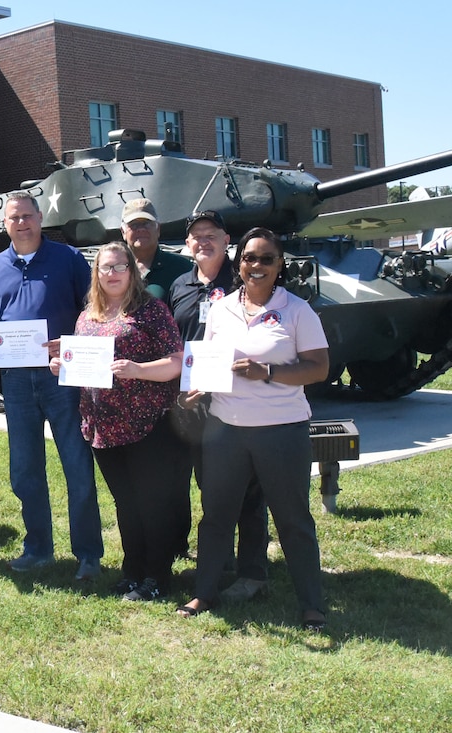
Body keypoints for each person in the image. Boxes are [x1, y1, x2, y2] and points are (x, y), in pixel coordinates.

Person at [177, 227, 329, 631]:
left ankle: (311, 604)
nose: (256, 266)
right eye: (248, 258)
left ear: (280, 265)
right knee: (216, 516)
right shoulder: (222, 308)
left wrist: (270, 372)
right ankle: (204, 592)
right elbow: (208, 360)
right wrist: (198, 388)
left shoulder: (297, 310)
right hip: (226, 429)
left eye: (266, 259)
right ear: (238, 262)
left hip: (282, 431)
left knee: (293, 519)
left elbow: (319, 367)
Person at [0, 191, 104, 580]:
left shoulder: (68, 259)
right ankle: (38, 548)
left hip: (61, 376)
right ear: (4, 224)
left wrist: (69, 345)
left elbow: (93, 313)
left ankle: (88, 554)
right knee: (24, 468)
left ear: (40, 216)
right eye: (13, 218)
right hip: (16, 381)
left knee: (76, 465)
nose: (21, 223)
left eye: (27, 216)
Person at [52, 242, 187, 601]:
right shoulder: (87, 317)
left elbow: (177, 360)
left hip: (147, 424)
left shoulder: (151, 311)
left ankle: (157, 577)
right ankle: (133, 572)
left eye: (119, 267)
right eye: (105, 268)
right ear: (96, 274)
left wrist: (139, 370)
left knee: (151, 502)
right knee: (126, 503)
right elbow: (83, 366)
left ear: (132, 271)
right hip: (103, 427)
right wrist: (63, 367)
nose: (112, 274)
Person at [168, 211, 269, 602]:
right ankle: (221, 558)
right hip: (195, 405)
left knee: (248, 489)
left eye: (211, 235)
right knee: (209, 484)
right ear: (188, 243)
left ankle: (254, 572)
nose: (203, 241)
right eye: (196, 236)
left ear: (227, 239)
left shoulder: (243, 280)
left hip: (238, 401)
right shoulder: (181, 285)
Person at [120, 198, 190, 300]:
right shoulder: (112, 269)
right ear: (123, 232)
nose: (141, 229)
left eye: (147, 223)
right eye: (134, 225)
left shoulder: (182, 268)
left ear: (158, 229)